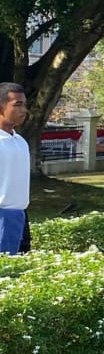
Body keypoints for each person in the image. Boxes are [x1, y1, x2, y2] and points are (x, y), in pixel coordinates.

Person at [0, 83, 30, 255]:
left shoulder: (20, 141)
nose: (24, 110)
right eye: (17, 105)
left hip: (20, 215)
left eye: (24, 105)